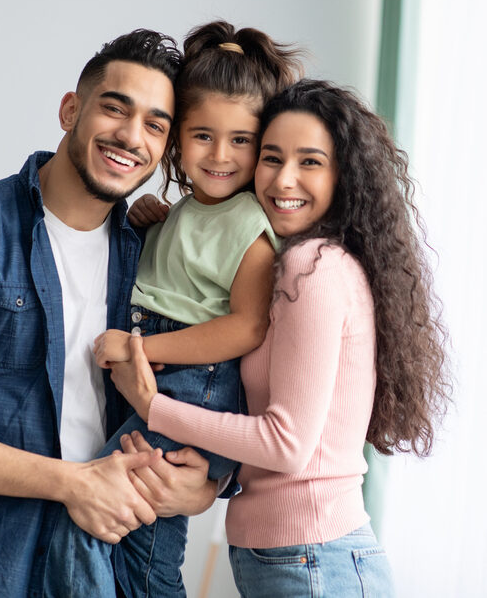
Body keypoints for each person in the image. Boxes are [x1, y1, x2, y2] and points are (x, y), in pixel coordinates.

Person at [0, 29, 220, 598]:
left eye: (155, 125)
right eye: (115, 108)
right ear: (70, 110)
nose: (131, 137)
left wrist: (210, 484)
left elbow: (209, 383)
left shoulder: (153, 254)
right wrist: (73, 484)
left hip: (114, 572)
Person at [111, 79, 451, 597]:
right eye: (271, 158)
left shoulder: (312, 268)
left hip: (314, 559)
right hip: (295, 556)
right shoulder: (289, 264)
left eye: (310, 161)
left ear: (345, 175)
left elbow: (287, 446)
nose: (283, 179)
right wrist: (212, 481)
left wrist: (153, 406)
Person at [44, 21, 303, 598]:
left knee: (100, 530)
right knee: (138, 550)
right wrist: (154, 224)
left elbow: (247, 325)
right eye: (203, 135)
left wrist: (140, 350)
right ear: (177, 140)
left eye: (241, 140)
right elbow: (184, 277)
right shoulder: (183, 211)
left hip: (192, 385)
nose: (221, 155)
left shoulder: (247, 225)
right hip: (171, 380)